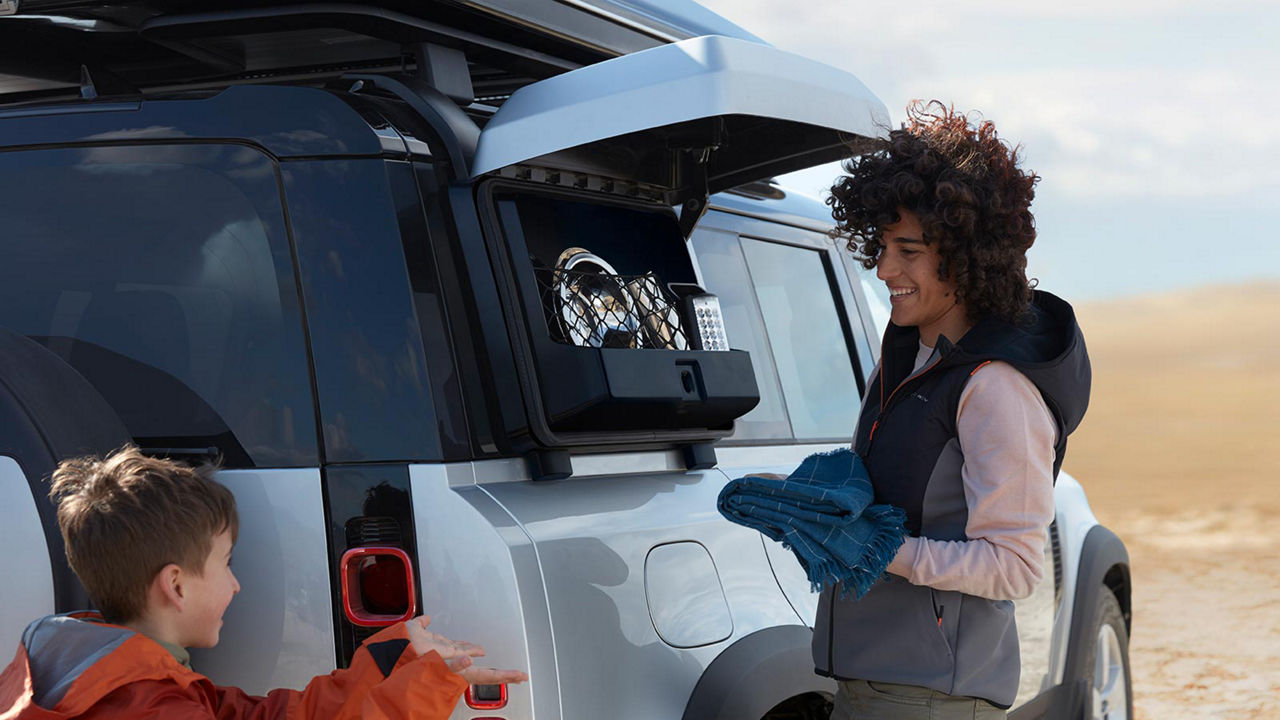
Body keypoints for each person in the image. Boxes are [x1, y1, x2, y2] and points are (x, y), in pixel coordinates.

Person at [813, 101, 1090, 718]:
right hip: (874, 682)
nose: (884, 269)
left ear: (966, 258)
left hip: (932, 697)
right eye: (882, 246)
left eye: (908, 250)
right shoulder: (913, 355)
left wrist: (884, 551)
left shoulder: (995, 387)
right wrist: (824, 503)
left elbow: (1016, 567)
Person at [0, 446, 528, 719]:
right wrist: (424, 692)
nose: (236, 586)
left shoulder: (106, 674)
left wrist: (394, 660)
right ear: (176, 587)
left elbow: (272, 718)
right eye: (227, 565)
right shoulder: (153, 709)